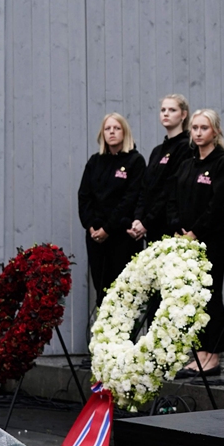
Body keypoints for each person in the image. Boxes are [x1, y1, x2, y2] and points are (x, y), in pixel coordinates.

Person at [165, 109, 224, 377]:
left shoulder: (223, 163)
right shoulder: (187, 163)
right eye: (194, 127)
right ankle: (199, 354)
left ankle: (213, 356)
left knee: (211, 297)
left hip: (211, 242)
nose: (197, 132)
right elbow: (172, 198)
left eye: (203, 127)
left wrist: (196, 232)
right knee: (194, 300)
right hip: (185, 241)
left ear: (215, 131)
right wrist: (177, 228)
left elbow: (217, 204)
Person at [77, 113, 147, 309]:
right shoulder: (94, 161)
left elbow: (130, 199)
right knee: (102, 291)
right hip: (96, 237)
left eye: (116, 128)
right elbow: (84, 196)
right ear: (102, 133)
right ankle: (104, 337)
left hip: (121, 236)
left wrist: (108, 228)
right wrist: (91, 226)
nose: (112, 132)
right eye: (108, 129)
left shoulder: (135, 161)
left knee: (123, 292)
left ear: (124, 132)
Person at [131, 94, 193, 243]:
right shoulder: (157, 151)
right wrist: (138, 218)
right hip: (151, 226)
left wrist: (147, 221)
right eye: (163, 109)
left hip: (170, 225)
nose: (166, 113)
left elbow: (170, 188)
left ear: (183, 115)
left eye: (172, 110)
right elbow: (145, 188)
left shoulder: (186, 147)